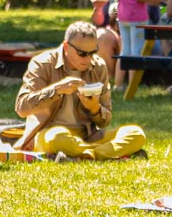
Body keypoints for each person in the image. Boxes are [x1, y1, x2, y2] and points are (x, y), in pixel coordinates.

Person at [15, 23, 147, 159]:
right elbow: (22, 108)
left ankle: (86, 156)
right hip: (50, 132)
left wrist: (95, 109)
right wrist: (57, 90)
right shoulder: (42, 64)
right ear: (66, 46)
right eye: (82, 54)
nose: (88, 59)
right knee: (57, 138)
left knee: (136, 133)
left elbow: (105, 121)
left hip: (88, 136)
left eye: (93, 52)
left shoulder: (98, 66)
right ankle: (105, 154)